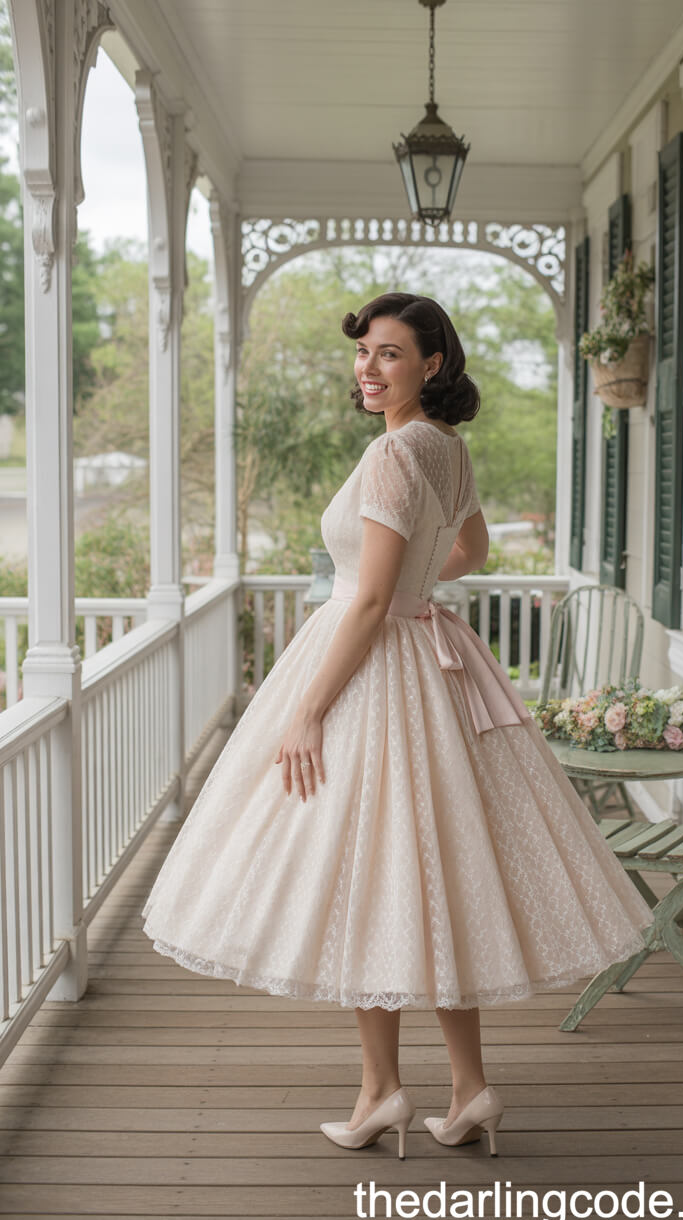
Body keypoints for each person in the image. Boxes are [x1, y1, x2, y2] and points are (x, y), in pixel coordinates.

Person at [141, 291, 655, 1161]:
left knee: (370, 877)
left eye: (390, 354)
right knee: (438, 880)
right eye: (364, 353)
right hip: (430, 659)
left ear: (433, 365)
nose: (370, 369)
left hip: (377, 674)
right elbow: (471, 550)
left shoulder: (392, 458)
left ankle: (382, 1091)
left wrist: (307, 711)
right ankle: (469, 1089)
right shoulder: (445, 448)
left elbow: (373, 598)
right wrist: (422, 590)